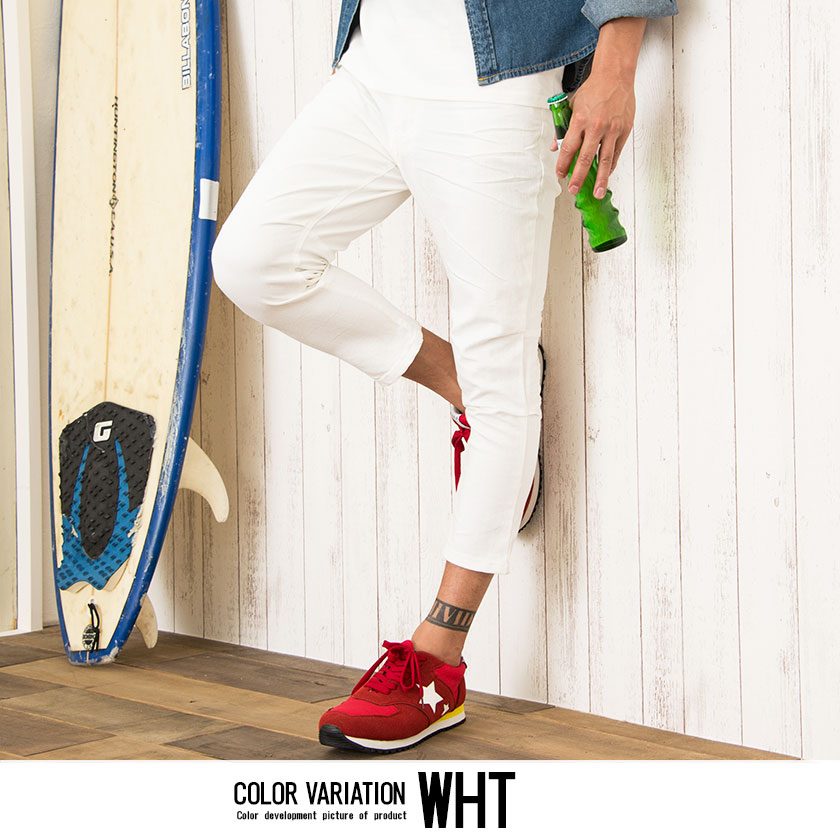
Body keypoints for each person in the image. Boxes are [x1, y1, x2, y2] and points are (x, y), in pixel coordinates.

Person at [210, 0, 678, 754]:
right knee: (252, 261)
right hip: (372, 68)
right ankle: (468, 388)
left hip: (495, 85)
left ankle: (438, 662)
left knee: (502, 360)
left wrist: (615, 68)